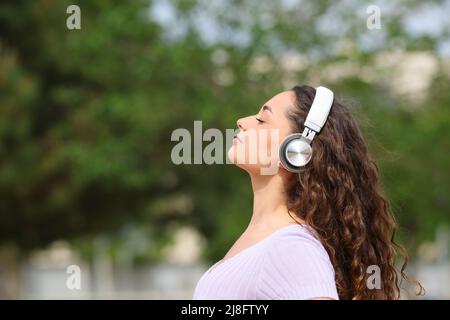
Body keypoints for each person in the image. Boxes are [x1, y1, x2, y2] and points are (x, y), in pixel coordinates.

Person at [192, 85, 422, 300]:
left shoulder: (292, 248)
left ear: (295, 152)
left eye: (262, 120)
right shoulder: (268, 240)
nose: (242, 121)